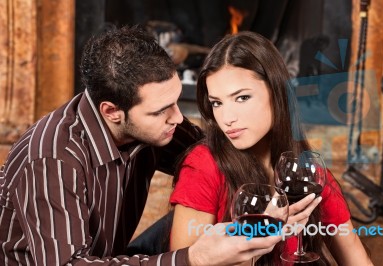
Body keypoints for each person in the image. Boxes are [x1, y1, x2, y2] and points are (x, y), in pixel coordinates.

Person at [0, 25, 317, 266]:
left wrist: (270, 203)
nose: (178, 118)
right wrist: (193, 258)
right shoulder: (52, 159)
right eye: (160, 111)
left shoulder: (153, 124)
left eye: (177, 100)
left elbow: (214, 153)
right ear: (112, 112)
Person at [169, 31, 373, 265]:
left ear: (278, 93)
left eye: (242, 98)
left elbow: (356, 257)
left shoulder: (305, 172)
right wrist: (264, 239)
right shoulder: (204, 165)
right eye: (217, 102)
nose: (227, 118)